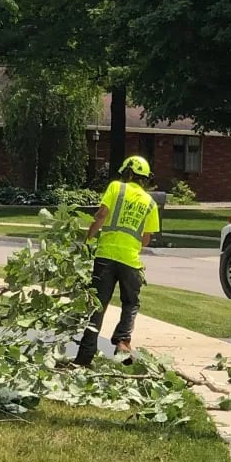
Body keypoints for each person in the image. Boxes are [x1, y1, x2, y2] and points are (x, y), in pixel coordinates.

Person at [74, 155, 159, 367]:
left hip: (105, 256)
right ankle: (122, 341)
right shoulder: (150, 203)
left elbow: (102, 214)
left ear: (127, 173)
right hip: (130, 260)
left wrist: (88, 239)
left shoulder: (116, 188)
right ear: (144, 179)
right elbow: (146, 238)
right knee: (131, 303)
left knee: (98, 305)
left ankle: (84, 357)